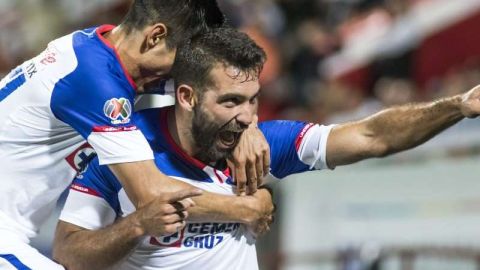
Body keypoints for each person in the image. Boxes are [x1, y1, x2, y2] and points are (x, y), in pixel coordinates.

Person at [54, 25, 480, 269]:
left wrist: (457, 107)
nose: (246, 116)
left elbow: (372, 136)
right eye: (230, 101)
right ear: (186, 97)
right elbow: (69, 253)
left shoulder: (261, 144)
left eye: (253, 99)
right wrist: (135, 225)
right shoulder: (122, 149)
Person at [0, 1, 270, 269]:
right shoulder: (95, 81)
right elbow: (152, 195)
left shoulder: (103, 51)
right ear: (155, 37)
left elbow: (214, 90)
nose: (181, 73)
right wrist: (248, 208)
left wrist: (249, 126)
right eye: (182, 62)